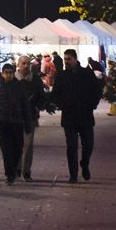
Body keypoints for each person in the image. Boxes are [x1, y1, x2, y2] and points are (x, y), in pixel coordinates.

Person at [52, 48, 102, 183]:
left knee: (88, 145)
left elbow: (97, 90)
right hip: (69, 117)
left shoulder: (87, 73)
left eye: (69, 59)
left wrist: (92, 104)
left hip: (85, 115)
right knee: (71, 146)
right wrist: (61, 104)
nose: (66, 62)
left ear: (75, 59)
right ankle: (73, 174)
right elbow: (55, 93)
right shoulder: (61, 75)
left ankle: (84, 163)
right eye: (65, 59)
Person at [0, 62, 28, 184]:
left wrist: (28, 123)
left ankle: (13, 169)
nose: (9, 75)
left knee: (18, 149)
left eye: (11, 73)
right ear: (2, 74)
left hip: (17, 122)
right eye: (7, 73)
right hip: (2, 122)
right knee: (6, 149)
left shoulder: (19, 87)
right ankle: (10, 174)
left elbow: (25, 105)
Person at [14, 55, 43, 181]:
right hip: (14, 117)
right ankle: (16, 168)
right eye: (23, 63)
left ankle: (26, 171)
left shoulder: (35, 80)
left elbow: (41, 96)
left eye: (28, 64)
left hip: (29, 116)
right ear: (18, 64)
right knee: (15, 144)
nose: (26, 66)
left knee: (28, 144)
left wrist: (37, 107)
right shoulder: (13, 80)